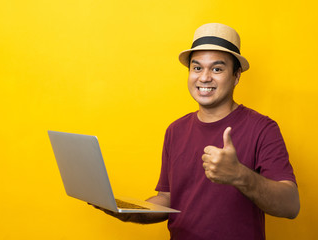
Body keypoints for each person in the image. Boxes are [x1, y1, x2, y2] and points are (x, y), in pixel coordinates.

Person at [91, 23, 300, 240]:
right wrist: (125, 210)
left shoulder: (262, 128)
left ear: (236, 76)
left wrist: (239, 175)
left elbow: (291, 206)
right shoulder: (175, 130)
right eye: (197, 67)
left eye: (217, 69)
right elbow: (168, 199)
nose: (204, 77)